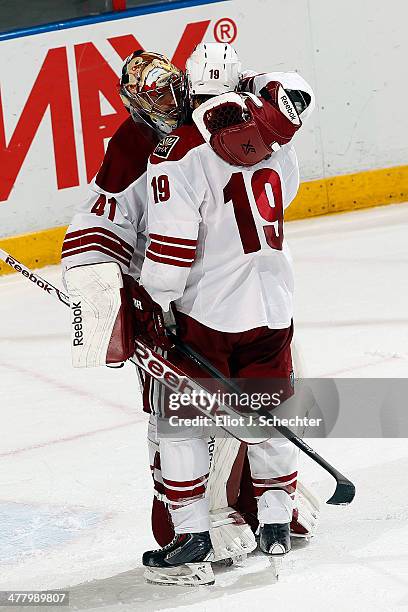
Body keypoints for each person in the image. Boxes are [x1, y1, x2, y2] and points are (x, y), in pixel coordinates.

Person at [140, 42, 315, 585]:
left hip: (208, 315)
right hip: (272, 307)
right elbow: (286, 189)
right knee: (269, 415)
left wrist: (157, 305)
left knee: (182, 425)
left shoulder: (177, 153)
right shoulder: (277, 138)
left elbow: (168, 257)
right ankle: (276, 525)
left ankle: (191, 533)